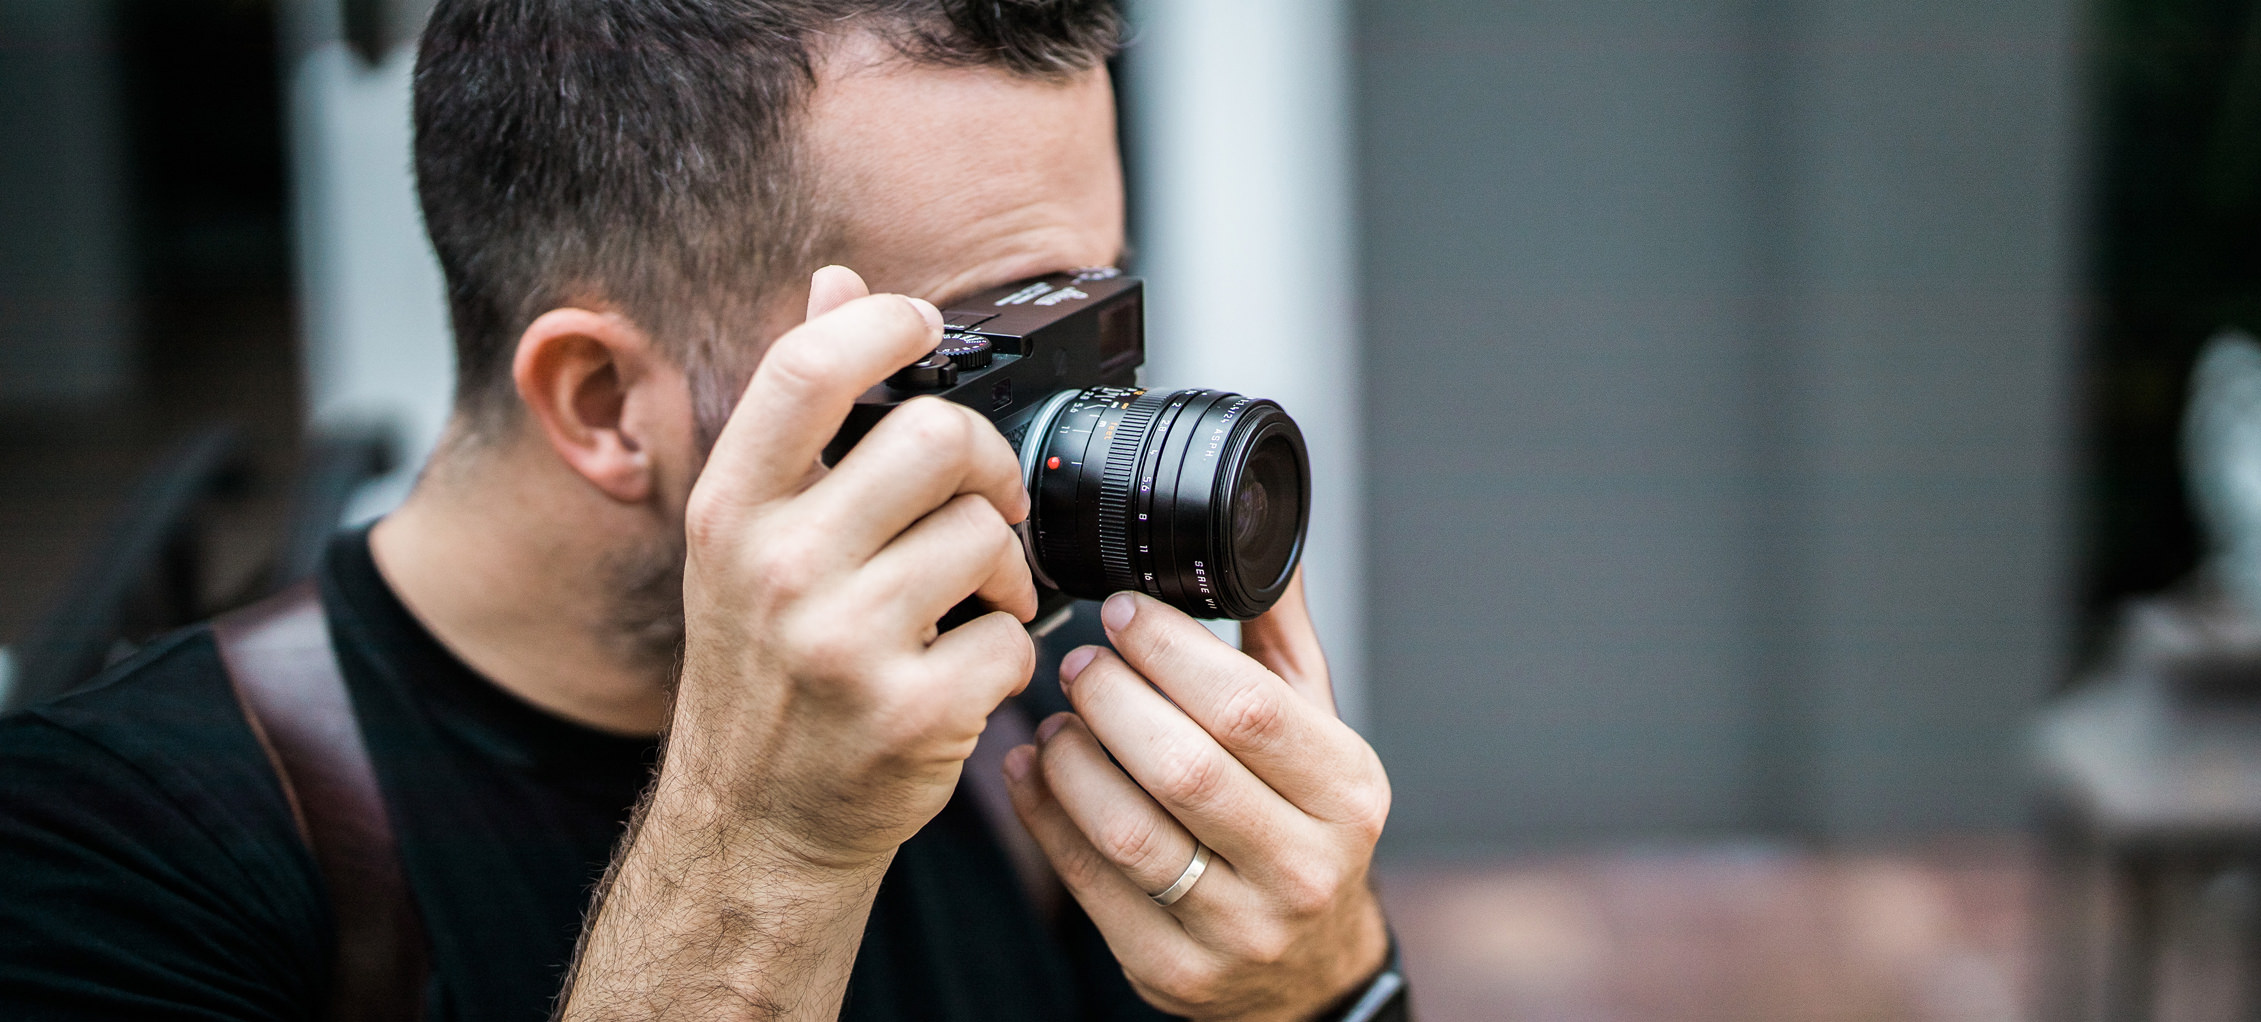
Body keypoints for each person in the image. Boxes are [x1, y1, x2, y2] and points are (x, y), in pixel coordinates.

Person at [0, 1, 1400, 1019]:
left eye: (1094, 307)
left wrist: (1328, 984)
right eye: (993, 354)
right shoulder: (109, 857)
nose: (1084, 430)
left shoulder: (1027, 702)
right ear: (603, 401)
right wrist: (774, 844)